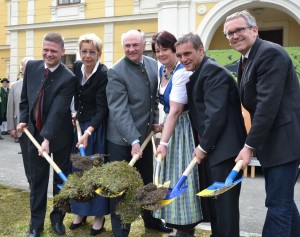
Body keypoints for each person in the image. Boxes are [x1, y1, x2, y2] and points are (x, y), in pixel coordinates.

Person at [224, 10, 300, 237]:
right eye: (230, 33)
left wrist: (249, 146)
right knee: (283, 200)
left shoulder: (270, 54)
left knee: (277, 203)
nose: (234, 36)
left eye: (239, 30)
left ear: (254, 30)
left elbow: (267, 106)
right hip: (271, 142)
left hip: (283, 142)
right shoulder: (246, 57)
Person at [175, 32, 247, 237]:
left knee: (225, 208)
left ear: (200, 50)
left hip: (226, 152)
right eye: (179, 55)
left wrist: (203, 147)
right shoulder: (202, 72)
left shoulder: (213, 72)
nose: (183, 59)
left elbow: (216, 116)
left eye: (187, 53)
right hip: (217, 151)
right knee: (217, 204)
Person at [106, 29, 173, 237]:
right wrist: (133, 139)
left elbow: (153, 99)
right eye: (127, 46)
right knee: (120, 187)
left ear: (143, 45)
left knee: (147, 181)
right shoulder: (116, 71)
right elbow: (119, 109)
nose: (131, 49)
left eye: (135, 45)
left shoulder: (153, 65)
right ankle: (121, 229)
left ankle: (151, 220)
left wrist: (154, 122)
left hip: (144, 137)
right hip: (121, 140)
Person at [17, 32, 76, 237]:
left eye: (53, 51)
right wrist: (23, 118)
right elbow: (24, 98)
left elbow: (58, 112)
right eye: (46, 49)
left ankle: (57, 218)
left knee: (60, 182)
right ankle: (36, 225)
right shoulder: (32, 67)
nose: (49, 54)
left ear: (62, 52)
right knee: (37, 180)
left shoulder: (68, 78)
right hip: (33, 135)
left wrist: (47, 139)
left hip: (59, 138)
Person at [152, 31, 202, 237]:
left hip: (183, 130)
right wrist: (162, 126)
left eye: (165, 49)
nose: (161, 54)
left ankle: (185, 227)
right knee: (169, 177)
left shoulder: (181, 73)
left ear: (174, 49)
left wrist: (163, 142)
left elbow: (176, 110)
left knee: (182, 176)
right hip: (171, 128)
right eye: (157, 50)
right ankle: (176, 224)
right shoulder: (163, 70)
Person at [69, 33, 110, 236]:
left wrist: (88, 131)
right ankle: (80, 212)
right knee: (79, 171)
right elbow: (74, 94)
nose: (87, 56)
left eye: (92, 52)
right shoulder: (77, 67)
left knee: (96, 173)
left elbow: (103, 109)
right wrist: (74, 113)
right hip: (80, 125)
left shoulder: (103, 73)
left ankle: (99, 216)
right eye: (84, 51)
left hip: (95, 129)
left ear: (99, 53)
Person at [7, 57, 33, 188]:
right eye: (24, 67)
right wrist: (11, 127)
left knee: (38, 157)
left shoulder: (39, 83)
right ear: (21, 69)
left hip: (36, 128)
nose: (26, 69)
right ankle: (30, 181)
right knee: (27, 158)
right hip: (21, 128)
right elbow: (10, 107)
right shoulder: (15, 86)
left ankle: (37, 182)